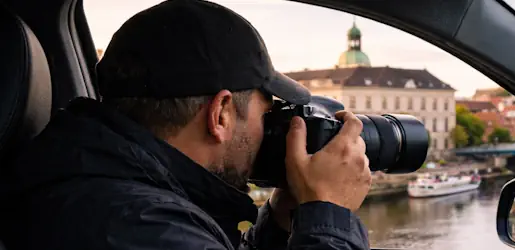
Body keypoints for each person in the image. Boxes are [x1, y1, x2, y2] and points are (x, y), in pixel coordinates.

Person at [0, 0, 371, 249]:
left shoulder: (104, 191)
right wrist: (329, 215)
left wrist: (281, 220)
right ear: (221, 114)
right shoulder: (136, 224)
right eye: (267, 112)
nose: (272, 128)